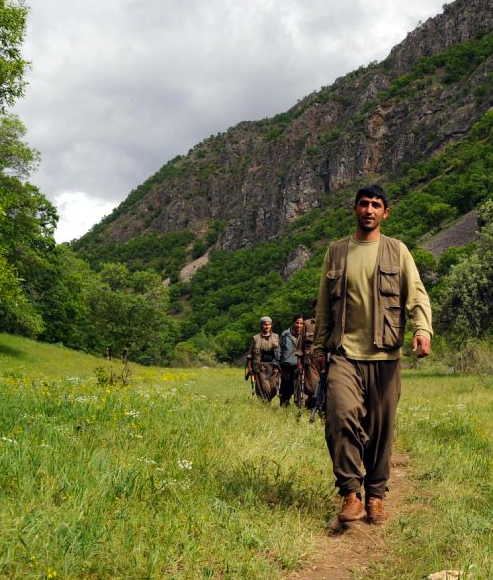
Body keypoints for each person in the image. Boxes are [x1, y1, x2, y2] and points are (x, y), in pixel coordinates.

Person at [313, 184, 432, 525]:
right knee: (339, 417)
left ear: (385, 213)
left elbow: (417, 295)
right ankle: (351, 493)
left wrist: (422, 330)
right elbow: (323, 307)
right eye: (363, 204)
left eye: (376, 205)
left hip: (384, 357)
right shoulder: (335, 253)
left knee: (381, 430)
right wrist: (320, 348)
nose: (369, 210)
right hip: (344, 354)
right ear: (354, 209)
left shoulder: (398, 251)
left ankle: (376, 496)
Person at [246, 316, 280, 402]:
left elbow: (279, 354)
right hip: (259, 367)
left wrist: (277, 367)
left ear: (271, 325)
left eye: (269, 324)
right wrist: (249, 368)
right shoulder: (255, 338)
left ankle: (267, 401)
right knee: (264, 387)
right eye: (265, 325)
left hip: (272, 367)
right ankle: (265, 405)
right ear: (261, 325)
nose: (267, 326)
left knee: (274, 388)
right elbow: (250, 355)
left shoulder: (276, 337)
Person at [295, 299, 320, 409]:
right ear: (313, 308)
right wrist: (299, 363)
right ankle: (312, 404)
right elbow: (300, 345)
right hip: (310, 362)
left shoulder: (329, 323)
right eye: (316, 306)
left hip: (324, 362)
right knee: (313, 386)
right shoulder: (306, 324)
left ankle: (318, 408)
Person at [279, 313, 304, 406]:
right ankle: (284, 404)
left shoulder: (305, 335)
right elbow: (280, 349)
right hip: (287, 365)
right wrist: (277, 364)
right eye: (297, 323)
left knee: (299, 386)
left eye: (301, 324)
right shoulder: (285, 334)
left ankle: (299, 405)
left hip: (299, 365)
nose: (299, 325)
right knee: (286, 386)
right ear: (293, 323)